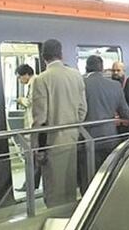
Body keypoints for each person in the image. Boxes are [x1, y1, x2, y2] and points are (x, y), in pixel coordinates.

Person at [30, 39, 87, 207]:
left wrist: (35, 147)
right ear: (61, 55)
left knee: (54, 191)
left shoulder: (41, 79)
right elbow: (83, 109)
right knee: (69, 186)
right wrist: (73, 127)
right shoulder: (76, 75)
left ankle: (57, 224)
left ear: (43, 57)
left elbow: (40, 119)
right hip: (72, 139)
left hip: (51, 143)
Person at [79, 55, 129, 191]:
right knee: (108, 174)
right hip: (110, 137)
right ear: (102, 69)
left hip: (87, 137)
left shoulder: (81, 83)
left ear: (86, 67)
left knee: (88, 177)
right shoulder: (115, 85)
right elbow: (126, 114)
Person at [14, 64, 40, 193]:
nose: (20, 80)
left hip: (34, 126)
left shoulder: (34, 83)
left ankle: (29, 184)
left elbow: (31, 102)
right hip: (33, 126)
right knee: (34, 158)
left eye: (20, 78)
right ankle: (30, 184)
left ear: (26, 75)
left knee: (33, 157)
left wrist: (20, 100)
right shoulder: (34, 82)